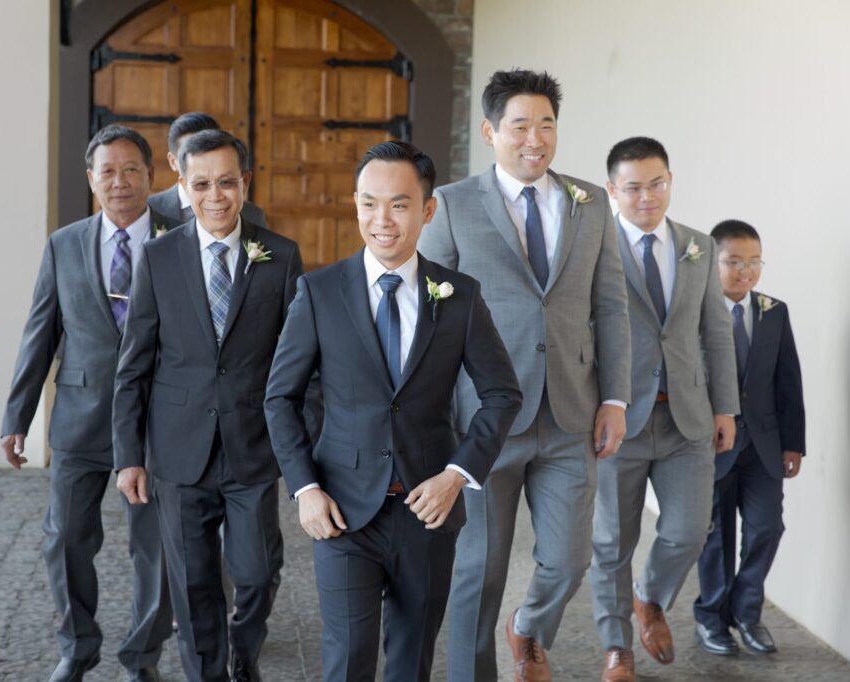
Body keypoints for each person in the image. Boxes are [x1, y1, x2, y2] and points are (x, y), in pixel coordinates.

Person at [264, 140, 522, 682]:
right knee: (348, 659)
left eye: (400, 204)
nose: (382, 220)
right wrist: (305, 489)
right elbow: (280, 397)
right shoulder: (318, 291)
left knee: (411, 662)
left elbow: (502, 394)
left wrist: (456, 476)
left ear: (428, 210)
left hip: (427, 513)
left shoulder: (458, 296)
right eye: (368, 203)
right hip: (341, 512)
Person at [418, 69, 631, 681]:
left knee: (567, 562)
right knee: (478, 571)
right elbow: (431, 315)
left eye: (546, 124)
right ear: (490, 131)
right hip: (486, 423)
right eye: (520, 125)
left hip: (572, 414)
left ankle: (528, 626)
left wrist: (615, 398)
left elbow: (611, 306)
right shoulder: (453, 205)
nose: (534, 138)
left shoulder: (590, 204)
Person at [113, 129, 301, 682]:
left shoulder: (280, 256)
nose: (214, 196)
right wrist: (129, 454)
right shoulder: (158, 257)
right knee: (193, 582)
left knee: (259, 571)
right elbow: (135, 364)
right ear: (182, 185)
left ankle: (244, 652)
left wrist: (304, 453)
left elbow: (299, 365)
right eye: (201, 184)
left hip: (252, 447)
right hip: (177, 450)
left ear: (244, 182)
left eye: (226, 182)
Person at [0, 125, 173, 682]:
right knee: (66, 539)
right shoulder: (64, 243)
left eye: (131, 170)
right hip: (80, 418)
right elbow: (40, 333)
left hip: (156, 426)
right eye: (107, 171)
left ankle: (142, 656)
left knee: (156, 547)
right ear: (90, 179)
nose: (119, 182)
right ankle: (78, 646)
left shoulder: (181, 241)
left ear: (151, 175)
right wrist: (17, 416)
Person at [589, 137, 739, 682]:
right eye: (632, 187)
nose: (646, 197)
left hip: (688, 419)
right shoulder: (594, 247)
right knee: (611, 540)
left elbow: (716, 335)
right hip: (617, 420)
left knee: (689, 531)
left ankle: (648, 596)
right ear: (612, 191)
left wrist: (727, 407)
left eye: (657, 184)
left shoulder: (696, 247)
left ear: (670, 180)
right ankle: (616, 646)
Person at [693, 219, 805, 656]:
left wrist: (793, 444)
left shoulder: (774, 310)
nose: (746, 270)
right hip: (711, 444)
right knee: (715, 535)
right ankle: (711, 617)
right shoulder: (695, 310)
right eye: (734, 262)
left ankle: (747, 611)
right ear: (712, 262)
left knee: (765, 528)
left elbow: (788, 381)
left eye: (754, 261)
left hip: (764, 446)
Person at [148, 111, 267, 227]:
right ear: (173, 161)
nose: (205, 161)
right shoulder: (148, 210)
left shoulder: (252, 215)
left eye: (210, 151)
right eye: (193, 152)